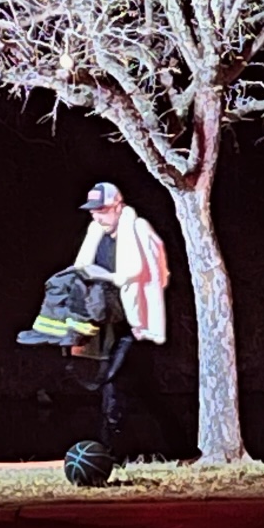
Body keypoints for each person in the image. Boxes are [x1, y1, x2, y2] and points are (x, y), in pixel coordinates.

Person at [72, 182, 169, 456]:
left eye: (102, 210)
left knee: (112, 384)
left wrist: (146, 321)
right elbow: (81, 268)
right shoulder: (95, 233)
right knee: (145, 390)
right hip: (108, 324)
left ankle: (108, 454)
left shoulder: (137, 229)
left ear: (118, 207)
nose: (96, 216)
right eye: (93, 211)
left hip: (134, 325)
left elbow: (147, 273)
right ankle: (179, 445)